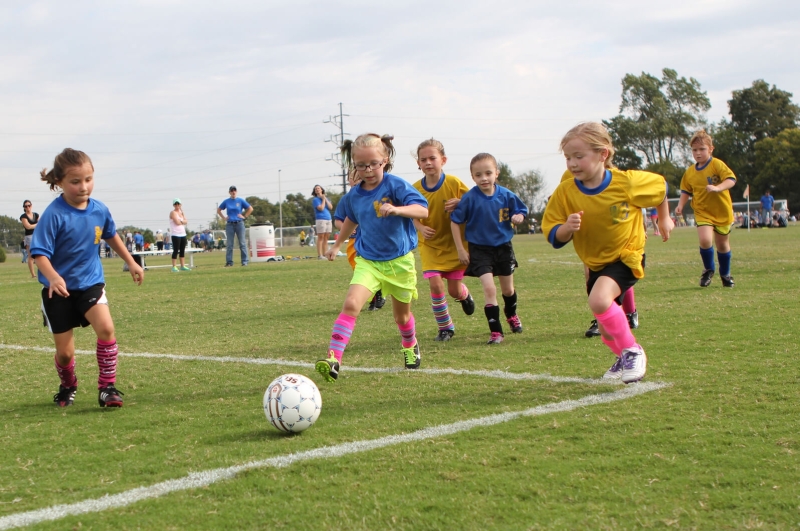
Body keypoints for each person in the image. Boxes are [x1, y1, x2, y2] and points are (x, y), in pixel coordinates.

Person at [542, 122, 673, 383]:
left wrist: (664, 219)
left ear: (603, 154)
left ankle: (632, 351)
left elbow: (661, 188)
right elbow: (553, 234)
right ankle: (621, 356)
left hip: (626, 255)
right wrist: (566, 228)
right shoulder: (566, 191)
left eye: (579, 156)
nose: (572, 163)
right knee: (605, 328)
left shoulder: (627, 183)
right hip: (596, 262)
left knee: (599, 301)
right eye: (568, 158)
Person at [30, 148, 144, 408]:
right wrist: (54, 277)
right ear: (59, 182)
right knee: (65, 352)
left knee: (106, 329)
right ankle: (68, 384)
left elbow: (111, 234)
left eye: (89, 179)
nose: (84, 187)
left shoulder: (99, 210)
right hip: (57, 291)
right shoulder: (53, 215)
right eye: (75, 181)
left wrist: (131, 261)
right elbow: (39, 254)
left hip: (91, 283)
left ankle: (107, 388)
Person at [315, 133, 428, 383]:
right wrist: (336, 245)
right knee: (351, 305)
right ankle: (334, 359)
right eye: (361, 165)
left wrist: (398, 209)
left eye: (373, 164)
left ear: (384, 160)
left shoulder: (395, 186)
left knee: (402, 317)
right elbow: (350, 220)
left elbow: (423, 209)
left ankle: (410, 345)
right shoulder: (353, 196)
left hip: (399, 262)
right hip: (369, 261)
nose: (368, 170)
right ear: (353, 165)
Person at [450, 153, 527, 345]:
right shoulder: (469, 198)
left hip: (503, 248)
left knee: (508, 290)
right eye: (478, 175)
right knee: (489, 288)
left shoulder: (507, 195)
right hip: (480, 250)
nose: (483, 178)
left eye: (488, 173)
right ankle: (496, 332)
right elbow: (455, 221)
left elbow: (521, 211)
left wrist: (519, 217)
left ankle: (511, 314)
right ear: (472, 177)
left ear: (496, 173)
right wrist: (461, 249)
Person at [412, 138, 475, 342]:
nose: (428, 162)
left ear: (443, 160)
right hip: (429, 245)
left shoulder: (454, 183)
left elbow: (476, 202)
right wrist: (420, 226)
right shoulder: (414, 189)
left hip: (455, 245)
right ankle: (445, 327)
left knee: (454, 290)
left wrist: (461, 202)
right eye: (424, 159)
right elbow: (409, 213)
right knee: (436, 285)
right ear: (418, 164)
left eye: (432, 158)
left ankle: (464, 295)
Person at [674, 129, 737, 288]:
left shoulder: (717, 165)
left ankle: (725, 274)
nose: (698, 153)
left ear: (711, 149)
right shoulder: (690, 172)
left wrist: (718, 188)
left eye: (702, 149)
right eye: (694, 150)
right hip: (702, 211)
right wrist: (681, 205)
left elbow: (731, 180)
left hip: (722, 211)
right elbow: (686, 190)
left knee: (722, 245)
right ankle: (708, 269)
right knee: (705, 240)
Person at [217, 185, 253, 267]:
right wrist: (224, 218)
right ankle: (229, 262)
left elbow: (250, 208)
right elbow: (218, 210)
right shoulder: (226, 201)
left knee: (242, 243)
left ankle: (244, 261)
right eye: (232, 191)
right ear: (229, 192)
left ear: (236, 191)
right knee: (229, 244)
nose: (233, 192)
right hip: (230, 224)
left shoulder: (240, 200)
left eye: (234, 190)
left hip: (239, 223)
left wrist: (245, 216)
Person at [312, 185, 333, 259]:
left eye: (318, 188)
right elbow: (321, 208)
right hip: (321, 219)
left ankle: (325, 254)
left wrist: (325, 199)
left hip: (328, 219)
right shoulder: (315, 200)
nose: (317, 190)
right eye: (316, 189)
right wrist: (323, 199)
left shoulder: (326, 198)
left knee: (326, 238)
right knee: (321, 237)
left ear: (321, 190)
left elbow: (330, 207)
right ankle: (320, 255)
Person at [169, 198, 190, 272]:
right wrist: (182, 221)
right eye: (175, 204)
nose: (177, 205)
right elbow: (177, 222)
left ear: (180, 204)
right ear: (173, 205)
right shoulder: (173, 212)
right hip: (176, 234)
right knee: (176, 250)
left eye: (178, 204)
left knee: (182, 250)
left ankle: (182, 265)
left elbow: (186, 221)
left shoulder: (182, 212)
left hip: (182, 234)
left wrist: (182, 221)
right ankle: (174, 266)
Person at [20, 200, 39, 278]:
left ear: (31, 205)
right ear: (24, 207)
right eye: (26, 206)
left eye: (29, 205)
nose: (28, 207)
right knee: (31, 256)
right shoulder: (23, 217)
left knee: (39, 254)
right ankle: (33, 274)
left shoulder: (36, 214)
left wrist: (37, 225)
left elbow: (41, 224)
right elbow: (28, 226)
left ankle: (42, 272)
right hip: (29, 236)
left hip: (37, 235)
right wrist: (37, 224)